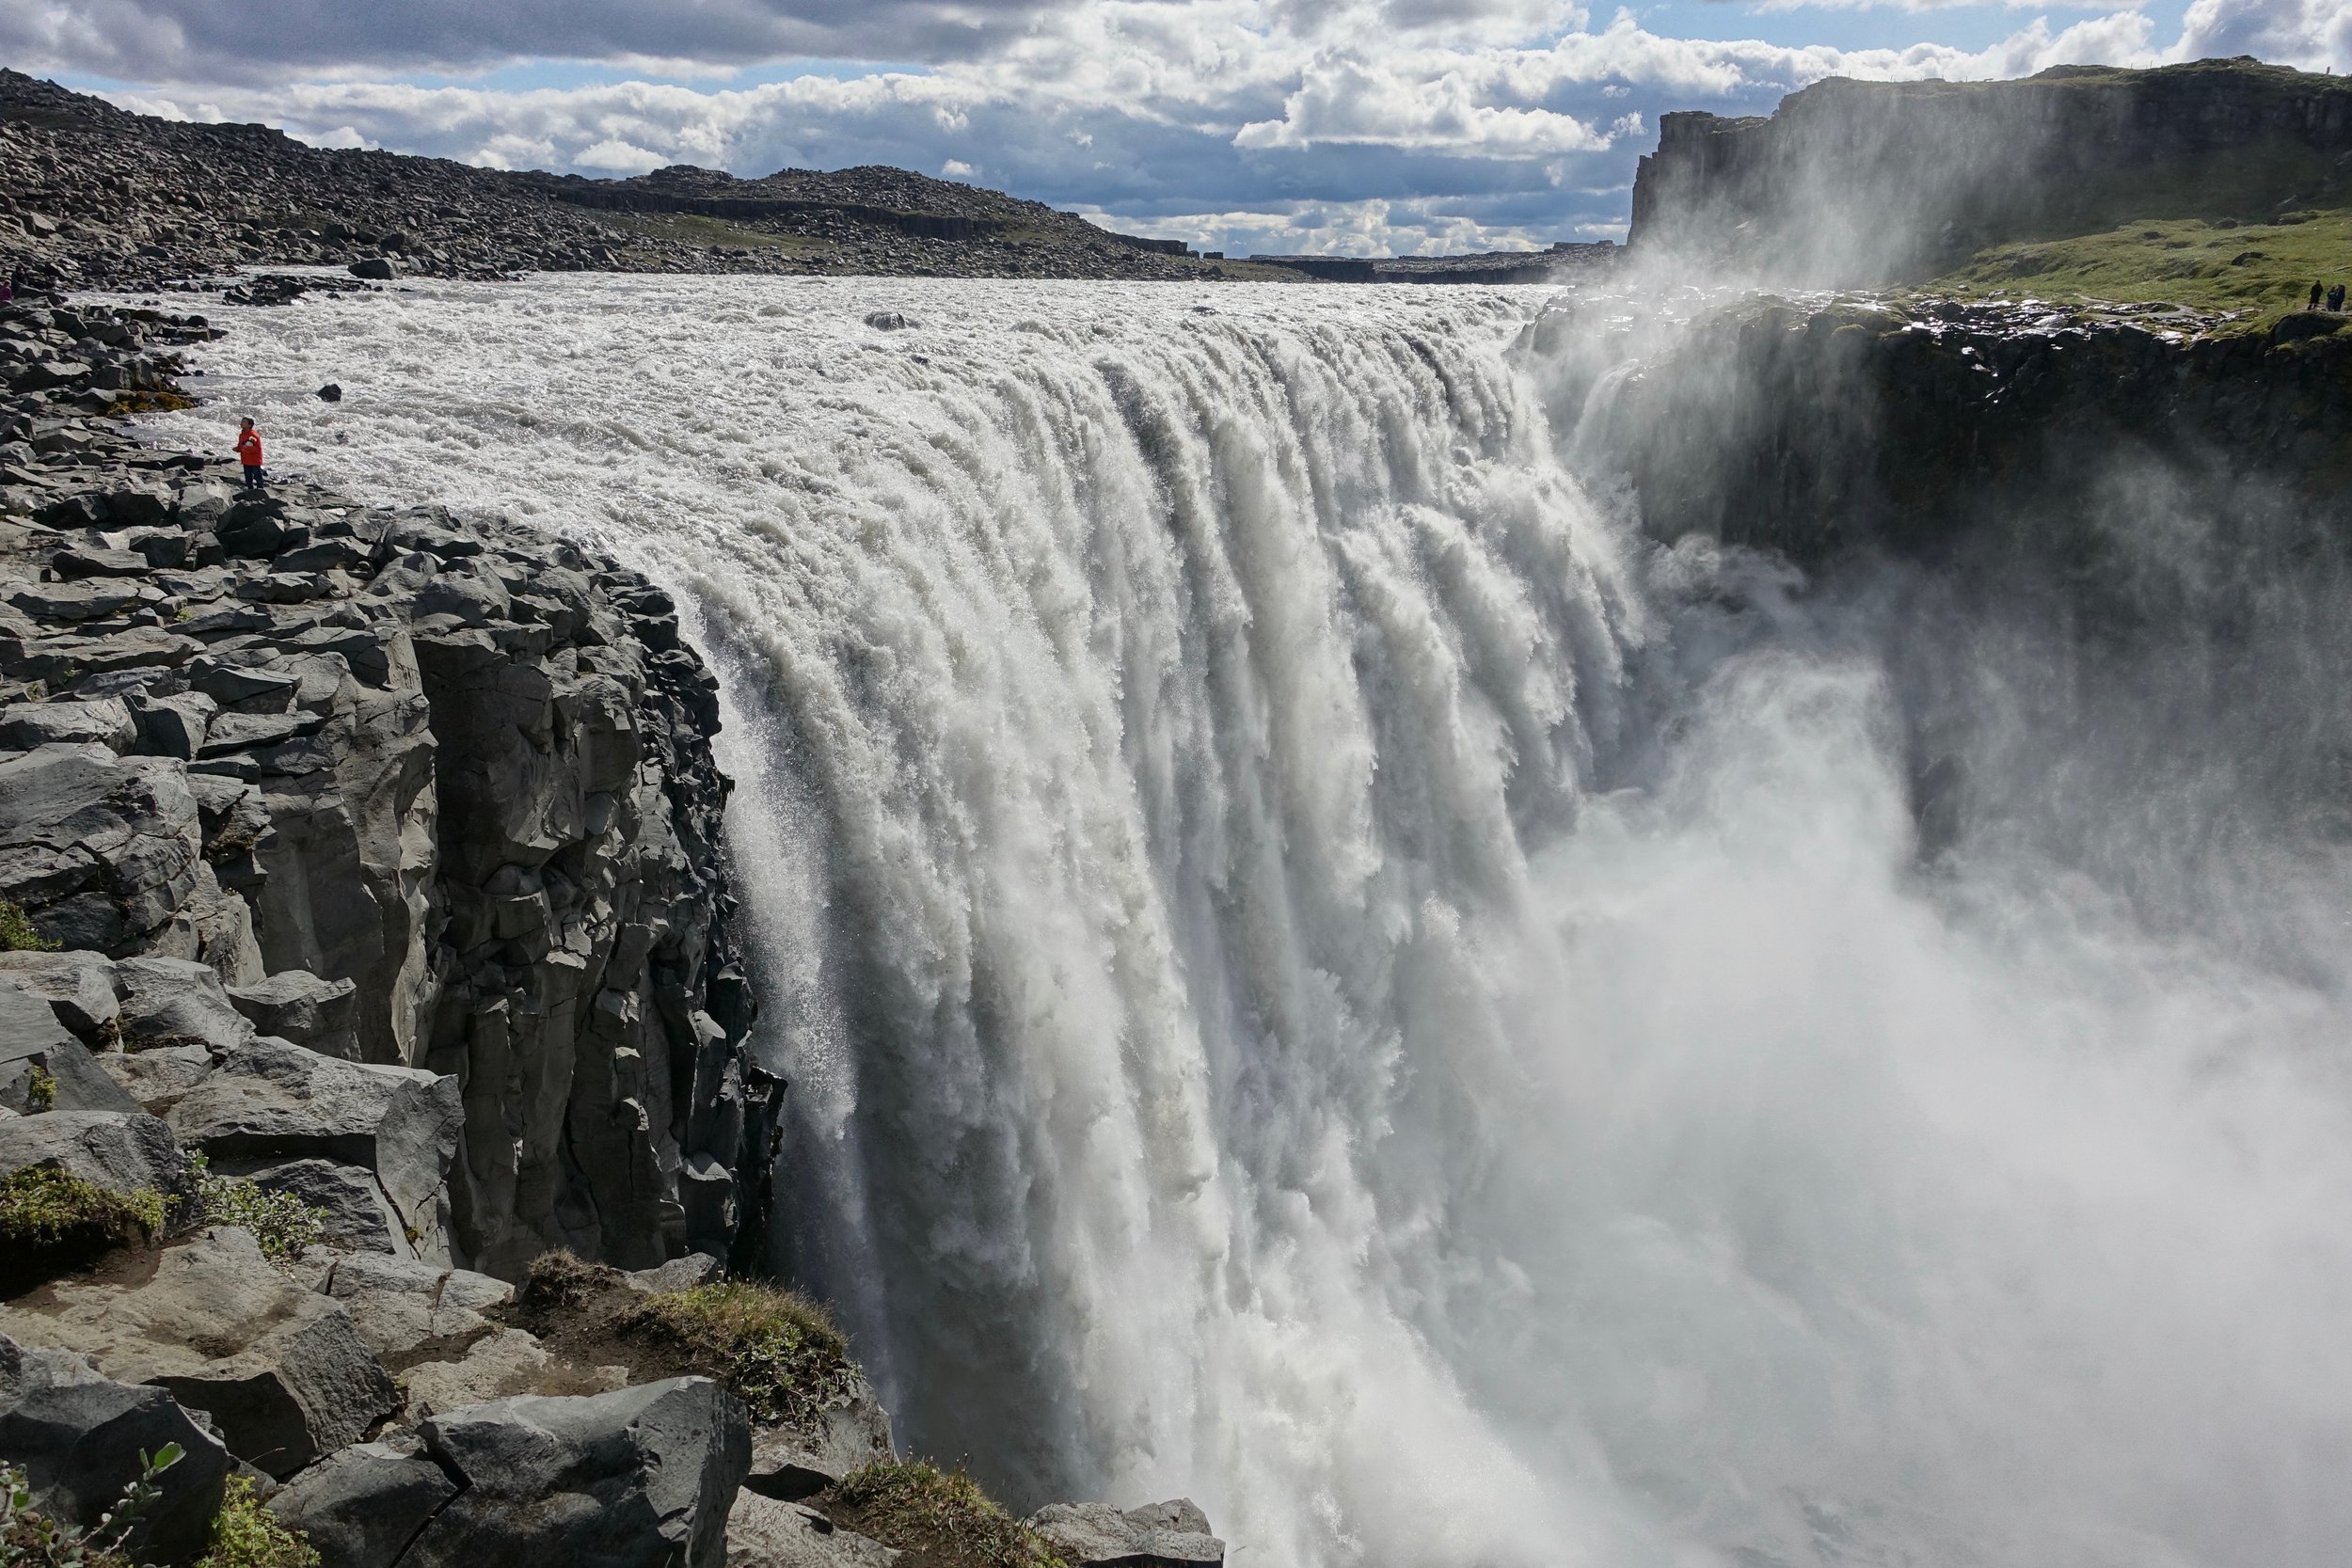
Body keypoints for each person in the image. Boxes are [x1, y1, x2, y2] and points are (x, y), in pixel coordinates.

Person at [235, 417, 264, 488]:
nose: (241, 423)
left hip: (254, 460)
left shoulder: (253, 435)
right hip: (246, 460)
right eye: (242, 421)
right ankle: (250, 490)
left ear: (249, 425)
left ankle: (260, 491)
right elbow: (241, 445)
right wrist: (238, 449)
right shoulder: (242, 435)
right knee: (248, 477)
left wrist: (246, 448)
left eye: (244, 422)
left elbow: (256, 448)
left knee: (257, 476)